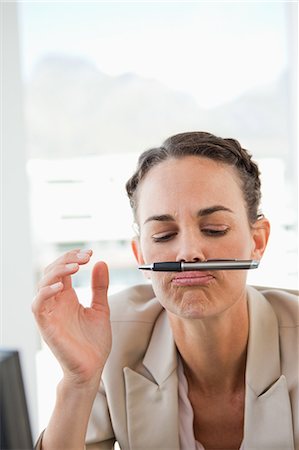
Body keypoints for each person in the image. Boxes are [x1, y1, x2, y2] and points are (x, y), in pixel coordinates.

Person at [32, 131, 298, 450]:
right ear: (141, 255)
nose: (188, 252)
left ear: (257, 242)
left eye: (214, 229)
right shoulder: (109, 335)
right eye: (163, 235)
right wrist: (78, 382)